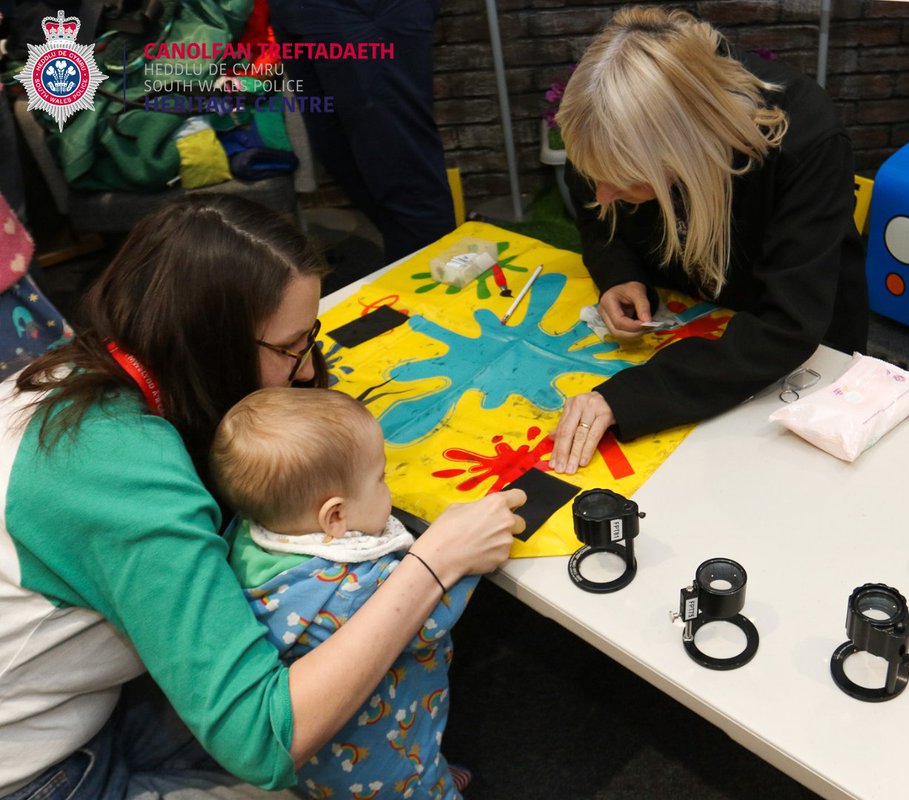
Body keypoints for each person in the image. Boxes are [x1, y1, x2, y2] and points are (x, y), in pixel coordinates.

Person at [0, 193, 526, 799]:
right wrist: (435, 564)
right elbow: (262, 739)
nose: (305, 370)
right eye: (289, 346)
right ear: (213, 343)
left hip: (98, 709)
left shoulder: (101, 375)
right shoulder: (121, 473)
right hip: (41, 771)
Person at [548, 6, 869, 475]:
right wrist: (618, 272)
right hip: (694, 318)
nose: (603, 196)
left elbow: (789, 326)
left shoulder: (807, 138)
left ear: (686, 153)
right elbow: (597, 216)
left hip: (802, 345)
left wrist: (630, 396)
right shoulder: (608, 120)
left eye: (625, 181)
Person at [211, 387, 476, 799]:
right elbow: (436, 609)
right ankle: (433, 782)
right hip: (383, 754)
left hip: (326, 760)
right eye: (381, 478)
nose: (388, 487)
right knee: (417, 783)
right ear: (335, 516)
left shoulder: (250, 536)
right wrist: (464, 546)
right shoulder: (357, 586)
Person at [267, 0, 456, 265]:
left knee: (404, 170)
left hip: (364, 9)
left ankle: (434, 288)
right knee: (338, 151)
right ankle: (411, 266)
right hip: (297, 12)